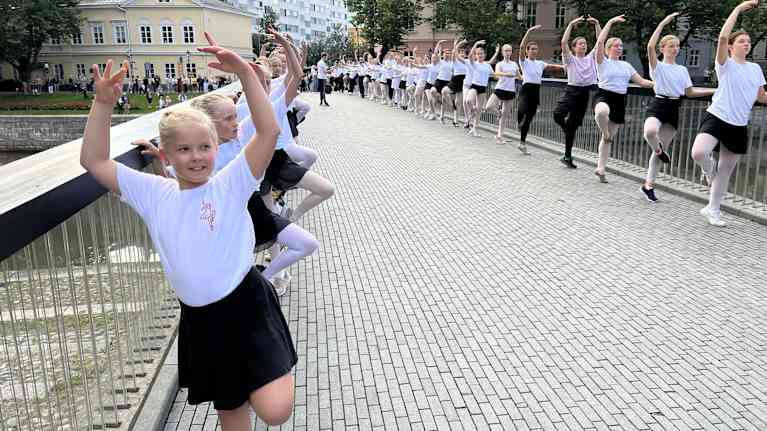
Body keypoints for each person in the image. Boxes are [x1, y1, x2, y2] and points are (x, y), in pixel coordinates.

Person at [79, 33, 297, 429]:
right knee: (230, 410)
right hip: (202, 318)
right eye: (183, 150)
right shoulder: (152, 192)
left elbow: (267, 133)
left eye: (204, 147)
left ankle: (258, 374)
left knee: (276, 411)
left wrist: (246, 72)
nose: (196, 157)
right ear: (165, 155)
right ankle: (242, 387)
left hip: (247, 305)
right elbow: (93, 160)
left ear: (216, 148)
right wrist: (103, 104)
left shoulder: (230, 184)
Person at [690, 0, 767, 226]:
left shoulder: (755, 69)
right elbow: (722, 38)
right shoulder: (725, 64)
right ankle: (707, 169)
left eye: (749, 42)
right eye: (742, 41)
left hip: (739, 123)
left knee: (725, 171)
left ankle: (713, 209)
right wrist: (738, 9)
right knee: (698, 153)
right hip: (717, 116)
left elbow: (761, 96)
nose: (747, 44)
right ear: (731, 46)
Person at [640, 12, 715, 203]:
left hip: (674, 106)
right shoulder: (657, 67)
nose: (675, 48)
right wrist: (664, 22)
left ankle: (648, 185)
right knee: (649, 132)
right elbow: (649, 46)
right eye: (671, 45)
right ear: (663, 48)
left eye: (677, 46)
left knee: (661, 147)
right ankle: (659, 151)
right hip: (658, 103)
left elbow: (689, 92)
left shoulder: (682, 70)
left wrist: (712, 92)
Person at [593, 15, 654, 183]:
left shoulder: (626, 65)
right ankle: (604, 131)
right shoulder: (602, 62)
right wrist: (610, 22)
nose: (619, 48)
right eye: (616, 46)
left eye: (621, 46)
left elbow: (641, 82)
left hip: (620, 99)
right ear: (609, 48)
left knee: (607, 140)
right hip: (604, 95)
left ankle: (601, 168)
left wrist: (657, 84)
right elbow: (599, 42)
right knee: (601, 112)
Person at [554, 16, 601, 169]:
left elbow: (600, 43)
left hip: (585, 93)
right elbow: (563, 42)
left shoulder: (591, 58)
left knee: (573, 126)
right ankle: (567, 130)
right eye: (580, 44)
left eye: (585, 43)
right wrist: (571, 25)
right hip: (571, 90)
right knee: (558, 114)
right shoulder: (570, 59)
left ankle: (567, 156)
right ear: (574, 47)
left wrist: (597, 25)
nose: (583, 45)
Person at [515, 26, 565, 155]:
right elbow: (521, 47)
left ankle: (522, 143)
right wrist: (529, 32)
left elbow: (552, 67)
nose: (534, 51)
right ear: (527, 51)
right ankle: (518, 122)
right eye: (532, 49)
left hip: (536, 91)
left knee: (529, 118)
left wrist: (566, 66)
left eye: (536, 49)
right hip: (526, 89)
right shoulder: (524, 62)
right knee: (521, 110)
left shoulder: (540, 63)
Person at [483, 42, 519, 145]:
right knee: (489, 106)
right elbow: (496, 75)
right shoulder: (500, 64)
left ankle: (499, 136)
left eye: (509, 51)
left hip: (510, 90)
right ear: (502, 52)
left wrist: (527, 79)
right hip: (500, 88)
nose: (508, 53)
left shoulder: (514, 64)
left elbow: (519, 76)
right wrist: (506, 74)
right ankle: (498, 113)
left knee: (505, 115)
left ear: (511, 52)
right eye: (506, 51)